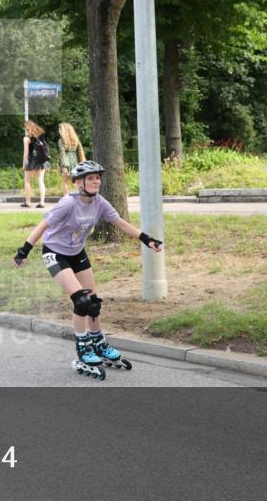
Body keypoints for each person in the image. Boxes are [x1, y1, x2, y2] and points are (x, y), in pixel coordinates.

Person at [12, 160, 162, 379]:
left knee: (92, 302)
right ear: (78, 182)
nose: (96, 181)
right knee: (81, 301)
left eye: (97, 178)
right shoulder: (68, 203)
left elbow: (120, 223)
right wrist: (24, 250)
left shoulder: (99, 202)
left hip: (77, 253)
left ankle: (99, 343)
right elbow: (43, 225)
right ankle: (83, 348)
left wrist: (147, 239)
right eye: (90, 178)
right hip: (55, 252)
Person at [21, 120, 50, 208]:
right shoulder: (41, 136)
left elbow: (26, 152)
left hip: (31, 161)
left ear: (26, 128)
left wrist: (24, 163)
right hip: (41, 161)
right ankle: (42, 202)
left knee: (27, 181)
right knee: (40, 180)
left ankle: (28, 202)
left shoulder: (26, 138)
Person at [57, 123, 86, 196]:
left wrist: (64, 166)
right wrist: (82, 163)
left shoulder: (61, 141)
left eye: (60, 129)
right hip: (75, 161)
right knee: (76, 182)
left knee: (65, 182)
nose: (59, 131)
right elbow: (80, 152)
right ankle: (80, 196)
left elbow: (63, 154)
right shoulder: (76, 139)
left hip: (66, 162)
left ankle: (66, 199)